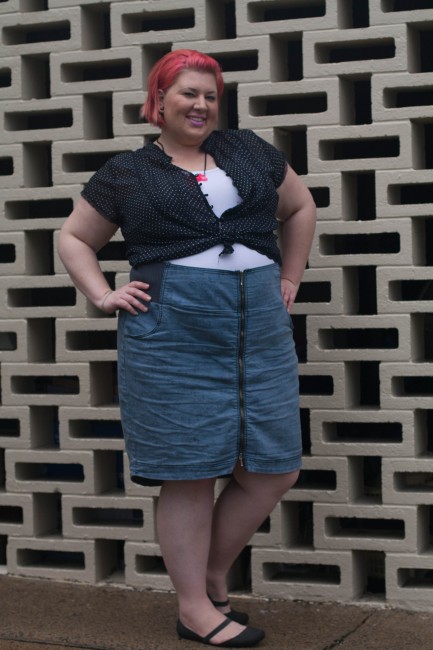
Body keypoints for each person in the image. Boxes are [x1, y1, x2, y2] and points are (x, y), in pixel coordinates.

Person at [58, 49, 316, 648]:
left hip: (260, 324)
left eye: (209, 95)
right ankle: (196, 607)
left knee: (275, 466)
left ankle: (211, 576)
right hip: (173, 327)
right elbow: (73, 236)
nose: (200, 105)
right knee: (190, 472)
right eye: (187, 94)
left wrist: (291, 277)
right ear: (159, 101)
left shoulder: (249, 151)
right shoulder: (126, 171)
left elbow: (299, 208)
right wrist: (102, 295)